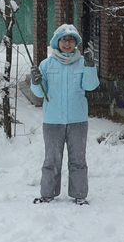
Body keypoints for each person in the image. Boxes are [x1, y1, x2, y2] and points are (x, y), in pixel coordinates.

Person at [29, 24, 100, 205]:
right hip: (53, 120)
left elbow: (90, 86)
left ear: (75, 43)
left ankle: (79, 195)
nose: (67, 43)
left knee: (78, 160)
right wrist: (35, 81)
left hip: (78, 119)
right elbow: (38, 93)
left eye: (71, 40)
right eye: (63, 39)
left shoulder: (83, 62)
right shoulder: (46, 64)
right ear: (57, 42)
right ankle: (48, 194)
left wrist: (91, 67)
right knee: (51, 159)